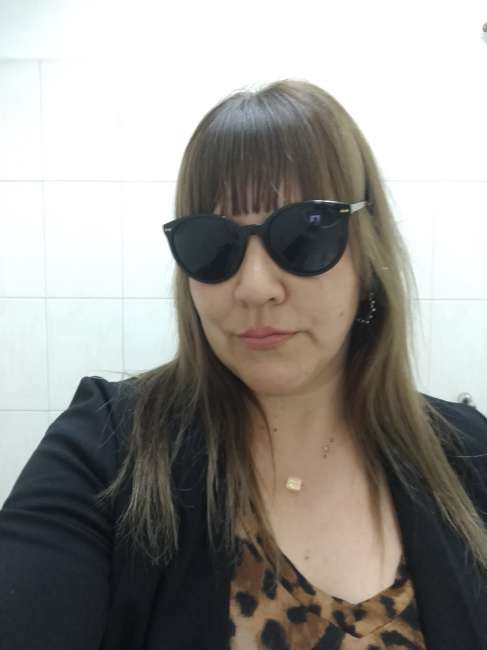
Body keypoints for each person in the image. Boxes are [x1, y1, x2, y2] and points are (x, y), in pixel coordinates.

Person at [1, 78, 487, 650]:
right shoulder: (108, 448)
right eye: (212, 244)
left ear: (368, 251)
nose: (255, 286)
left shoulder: (469, 456)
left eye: (304, 233)